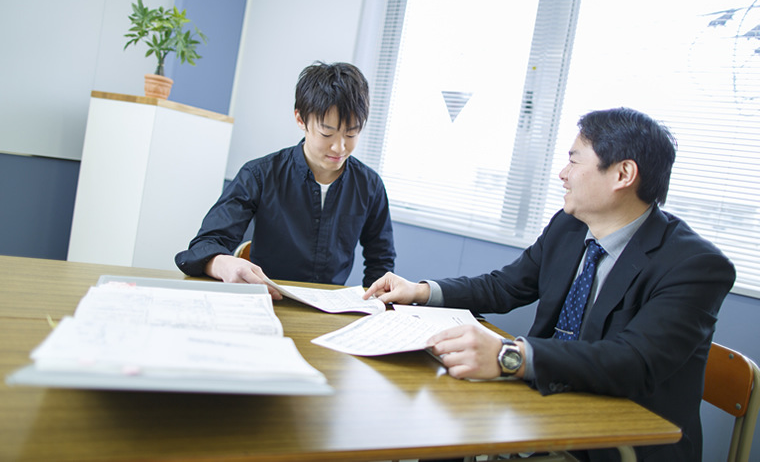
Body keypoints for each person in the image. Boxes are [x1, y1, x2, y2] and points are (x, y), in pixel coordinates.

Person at [365, 107, 735, 462]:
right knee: (442, 412)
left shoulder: (695, 266)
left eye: (574, 161)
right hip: (545, 402)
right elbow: (507, 286)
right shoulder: (570, 225)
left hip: (619, 441)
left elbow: (633, 362)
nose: (562, 173)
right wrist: (422, 291)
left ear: (623, 174)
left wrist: (508, 355)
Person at [176, 61, 396, 298]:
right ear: (301, 120)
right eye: (327, 133)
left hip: (329, 312)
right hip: (265, 302)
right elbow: (205, 245)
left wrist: (373, 304)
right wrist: (222, 263)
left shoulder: (369, 185)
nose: (340, 147)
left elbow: (381, 262)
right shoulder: (260, 175)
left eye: (351, 133)